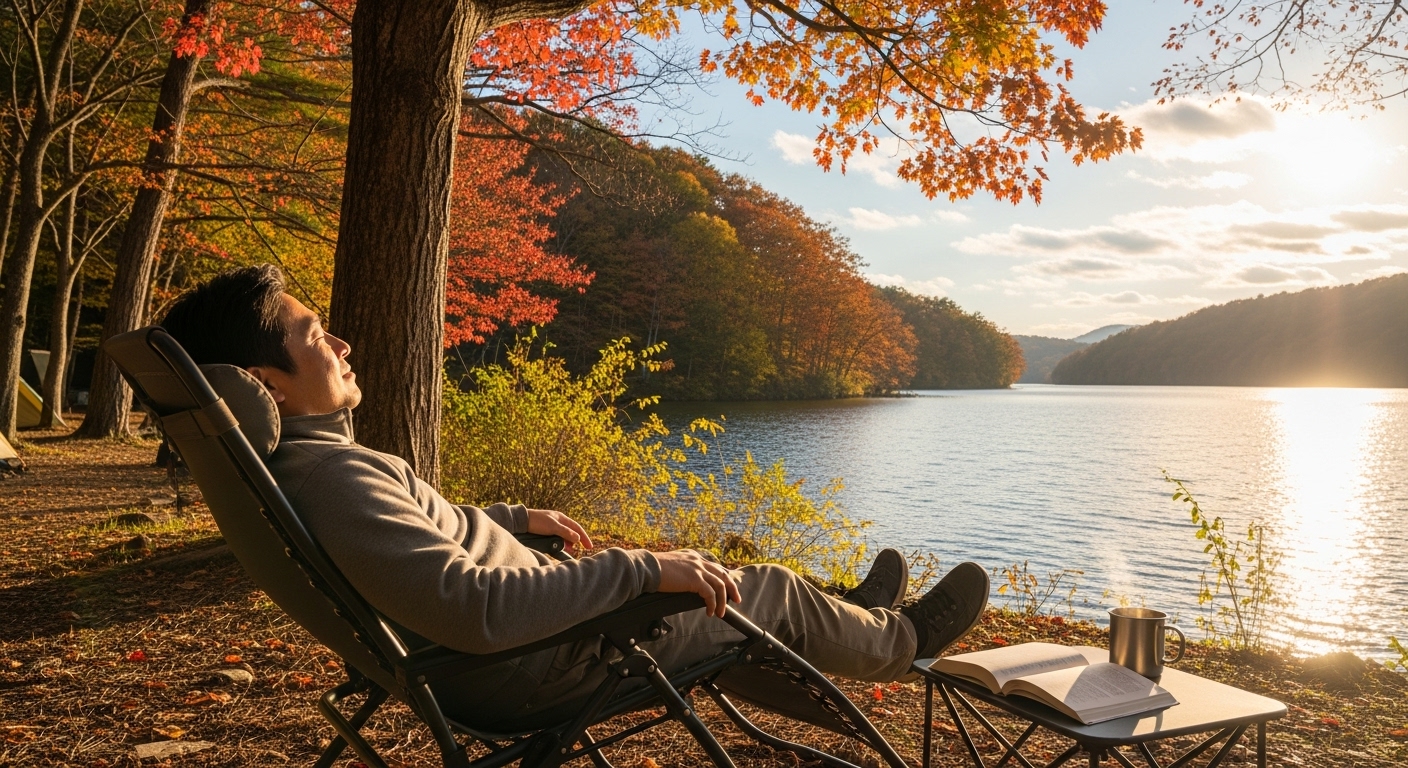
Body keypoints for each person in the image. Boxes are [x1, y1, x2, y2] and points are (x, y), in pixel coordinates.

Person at [159, 264, 989, 729]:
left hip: (517, 653)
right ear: (266, 382)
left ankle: (842, 615)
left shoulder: (319, 468)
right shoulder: (333, 480)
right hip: (537, 666)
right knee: (755, 588)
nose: (340, 342)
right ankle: (901, 640)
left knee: (737, 605)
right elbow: (473, 609)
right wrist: (637, 571)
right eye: (313, 335)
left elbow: (436, 540)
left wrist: (513, 521)